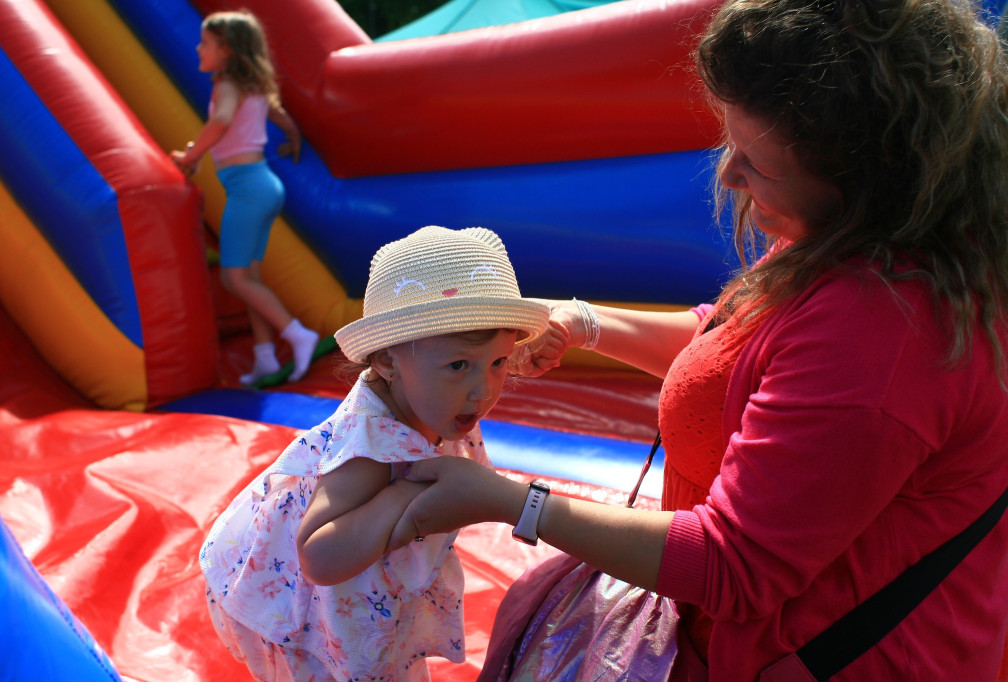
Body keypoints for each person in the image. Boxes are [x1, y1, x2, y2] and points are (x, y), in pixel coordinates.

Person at [386, 0, 1008, 679]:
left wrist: (508, 500)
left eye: (756, 162)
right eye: (729, 140)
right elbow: (732, 345)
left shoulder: (883, 331)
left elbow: (732, 564)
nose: (728, 174)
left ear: (867, 181)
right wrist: (581, 319)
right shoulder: (852, 239)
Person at [199, 226, 554, 681]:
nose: (483, 390)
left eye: (499, 363)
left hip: (368, 588)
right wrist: (402, 496)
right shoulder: (372, 447)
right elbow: (320, 556)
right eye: (459, 366)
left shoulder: (437, 397)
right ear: (386, 362)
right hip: (303, 613)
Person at [170, 10, 319, 385]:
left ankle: (298, 334)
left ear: (228, 50)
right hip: (264, 185)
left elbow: (220, 121)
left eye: (206, 43)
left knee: (235, 280)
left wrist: (191, 155)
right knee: (249, 277)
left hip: (248, 188)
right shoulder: (253, 86)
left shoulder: (228, 86)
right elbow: (279, 114)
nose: (198, 47)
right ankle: (265, 358)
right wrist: (293, 138)